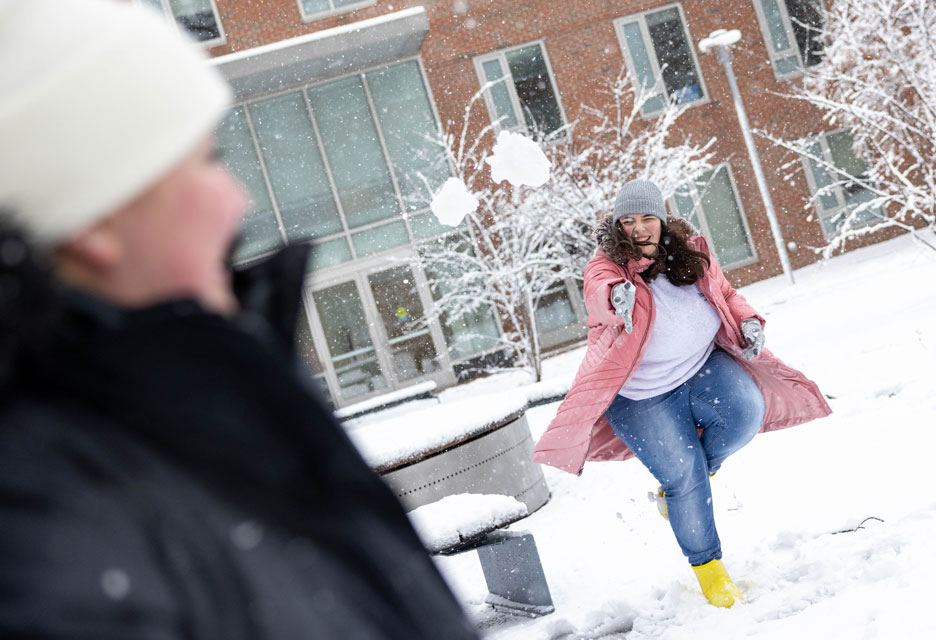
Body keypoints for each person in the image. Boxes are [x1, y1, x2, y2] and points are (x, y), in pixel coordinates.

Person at [0, 1, 479, 638]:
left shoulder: (197, 412)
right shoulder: (50, 538)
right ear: (94, 221)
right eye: (207, 161)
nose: (238, 200)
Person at [532, 179, 831, 608]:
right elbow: (597, 292)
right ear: (618, 226)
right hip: (640, 395)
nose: (639, 229)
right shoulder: (608, 267)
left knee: (745, 414)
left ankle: (682, 493)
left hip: (701, 366)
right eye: (628, 221)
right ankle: (711, 573)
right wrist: (617, 296)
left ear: (661, 218)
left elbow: (725, 293)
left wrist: (748, 321)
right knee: (683, 472)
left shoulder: (690, 253)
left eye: (647, 218)